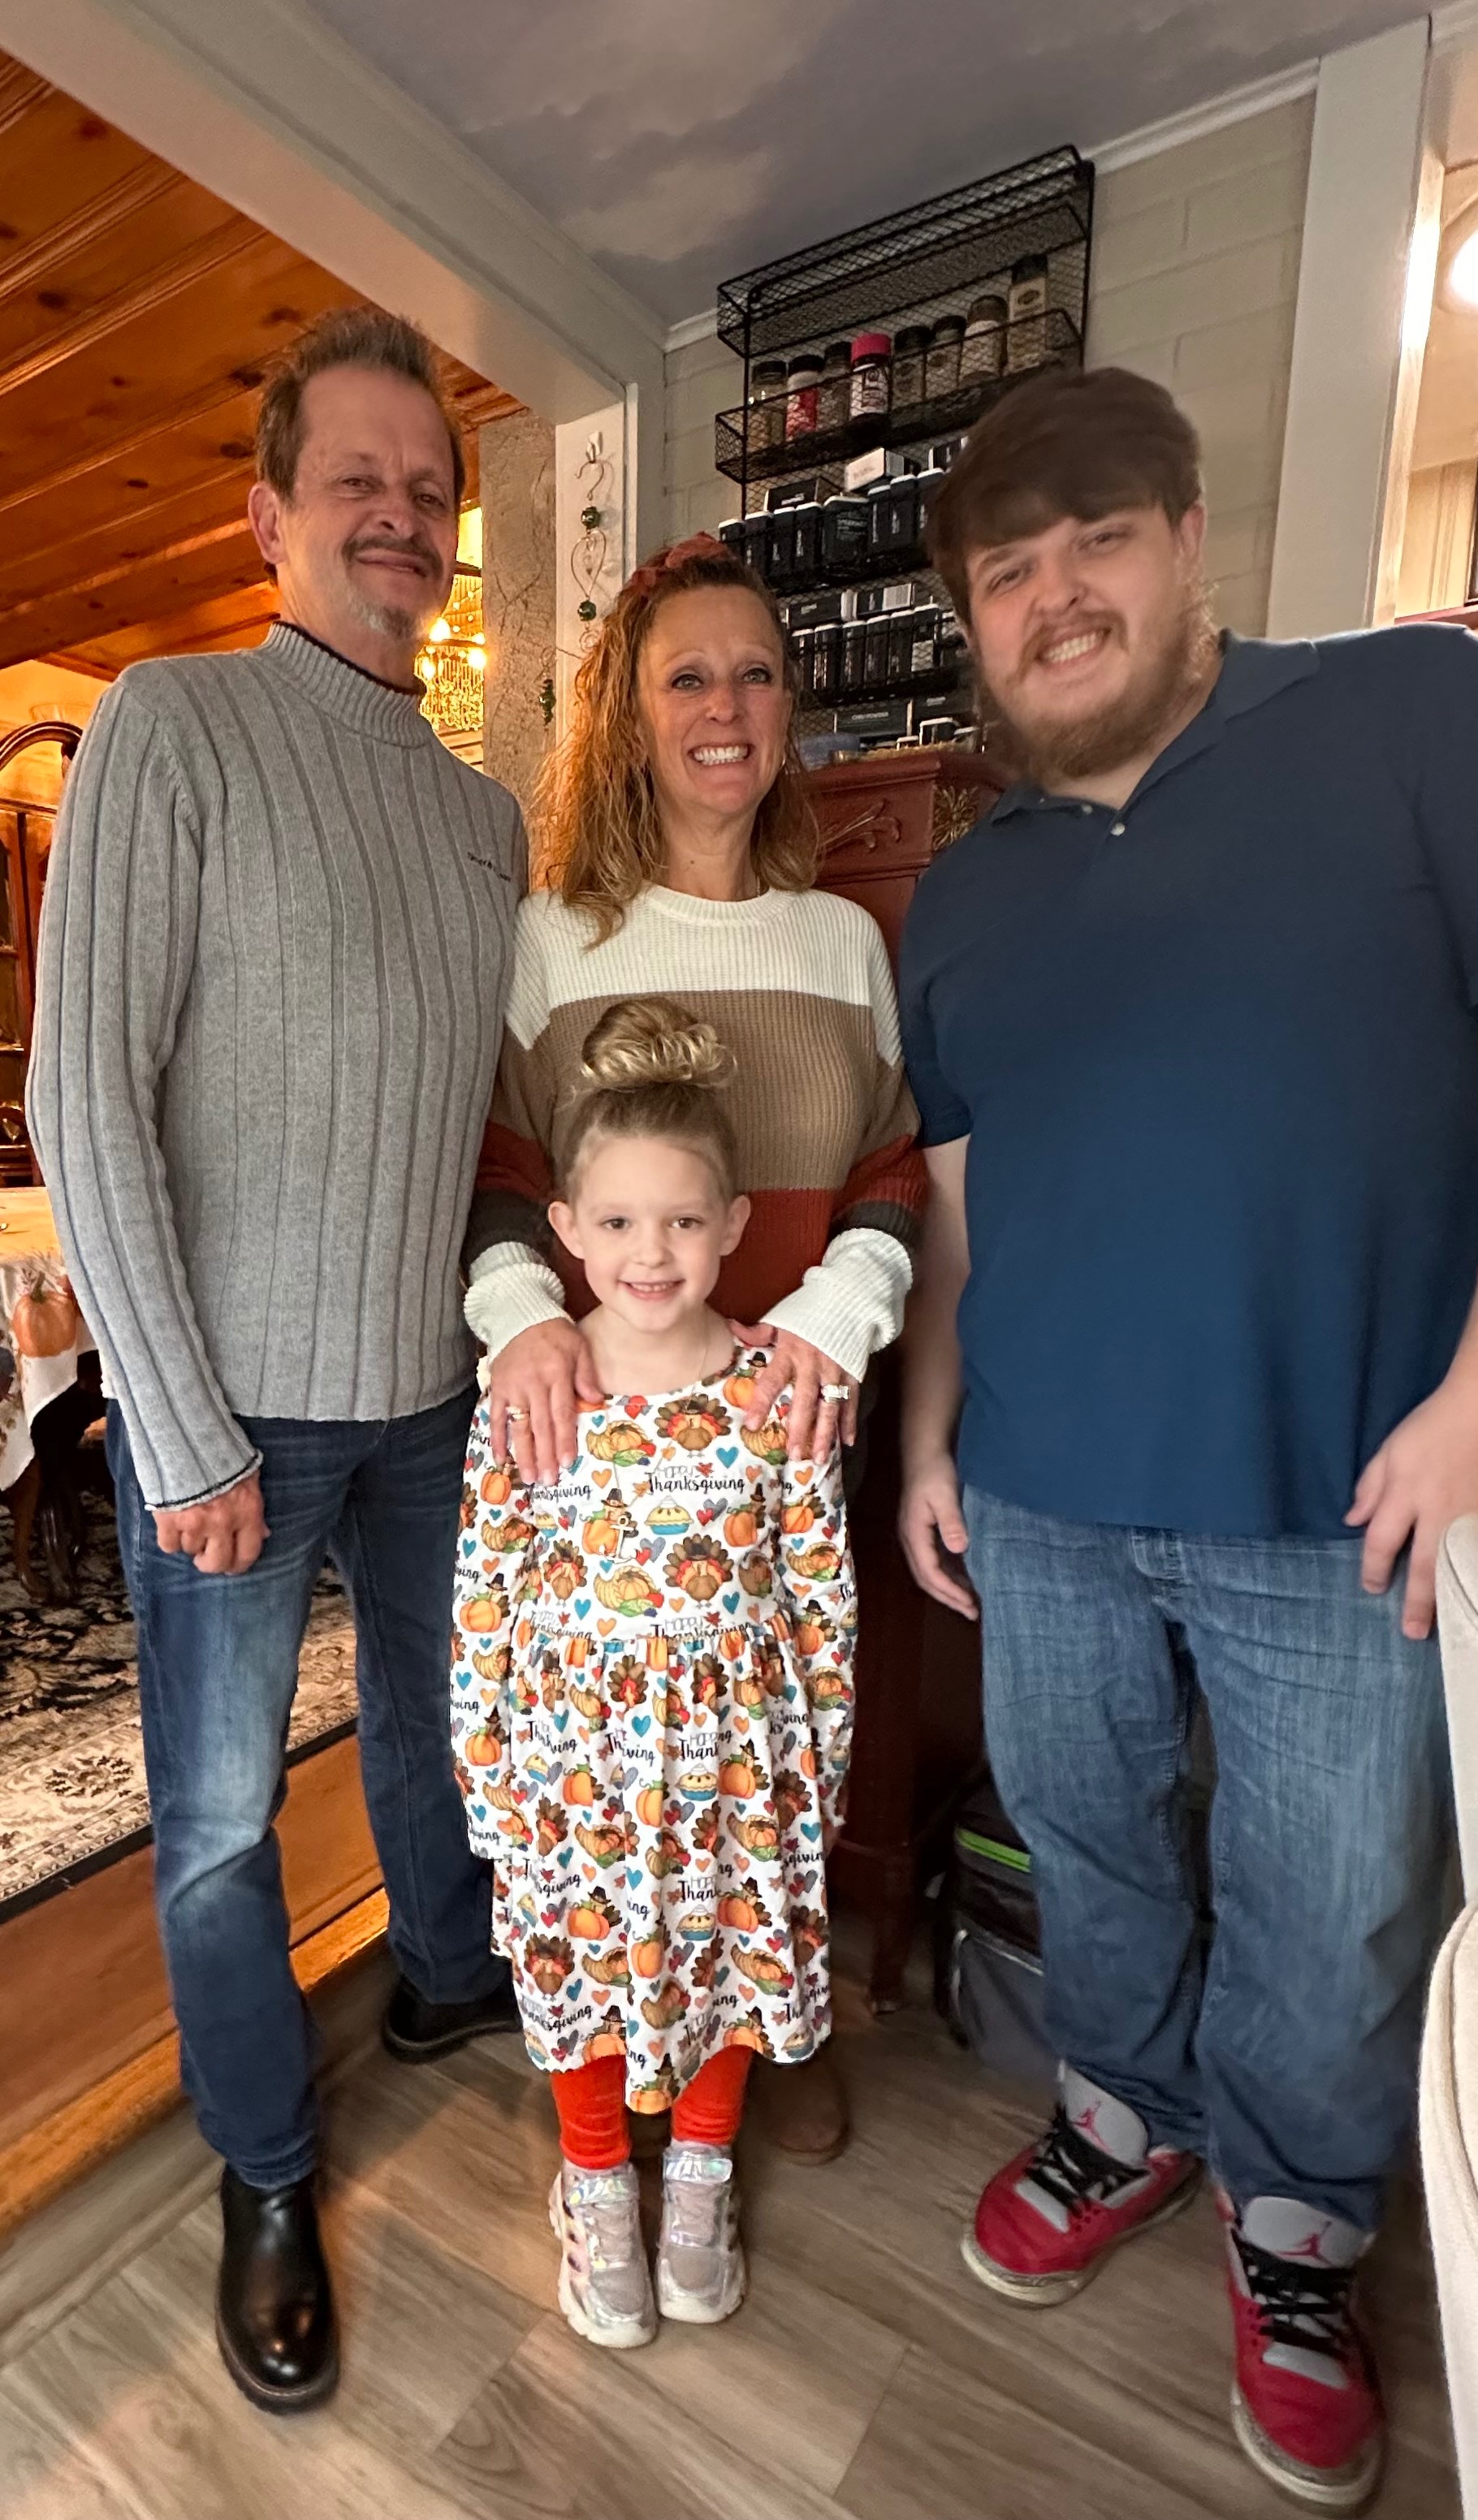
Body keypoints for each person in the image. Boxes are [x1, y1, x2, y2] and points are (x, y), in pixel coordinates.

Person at [895, 365, 1478, 2514]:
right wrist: (931, 1433)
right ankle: (1123, 2114)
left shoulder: (1419, 714)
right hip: (1041, 1489)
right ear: (970, 621)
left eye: (1098, 542)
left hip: (1347, 1489)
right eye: (1008, 572)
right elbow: (960, 1204)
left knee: (1331, 1898)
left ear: (1186, 538)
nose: (1057, 598)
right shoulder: (960, 897)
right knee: (1087, 1837)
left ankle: (1304, 2220)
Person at [26, 309, 529, 2414]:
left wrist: (522, 1338)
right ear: (268, 517)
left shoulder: (488, 820)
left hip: (430, 1400)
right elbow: (81, 1094)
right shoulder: (171, 724)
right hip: (228, 1413)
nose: (398, 515)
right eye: (358, 481)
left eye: (426, 488)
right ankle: (262, 2173)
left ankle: (443, 1976)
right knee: (223, 1826)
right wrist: (174, 1419)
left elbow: (483, 1131)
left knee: (437, 1727)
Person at [462, 530, 924, 2163]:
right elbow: (501, 1172)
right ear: (629, 718)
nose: (725, 707)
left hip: (783, 1430)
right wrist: (523, 1321)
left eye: (754, 674)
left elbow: (891, 1170)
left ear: (788, 708)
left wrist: (838, 1311)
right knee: (616, 1776)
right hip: (604, 1442)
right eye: (686, 678)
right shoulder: (553, 940)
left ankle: (753, 2039)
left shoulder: (840, 943)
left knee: (766, 1747)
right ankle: (622, 2065)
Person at [452, 995, 854, 2345]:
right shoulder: (530, 1398)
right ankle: (592, 2180)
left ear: (733, 1224)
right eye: (619, 1221)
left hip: (739, 1770)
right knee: (581, 1972)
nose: (651, 1251)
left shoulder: (779, 1393)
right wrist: (489, 1775)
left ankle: (698, 2176)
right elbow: (484, 1597)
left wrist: (819, 1773)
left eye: (682, 1220)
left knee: (728, 1964)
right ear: (565, 1228)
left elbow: (822, 1596)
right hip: (574, 1773)